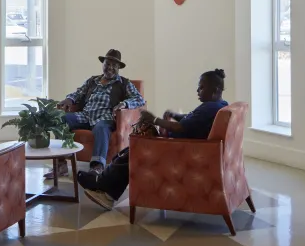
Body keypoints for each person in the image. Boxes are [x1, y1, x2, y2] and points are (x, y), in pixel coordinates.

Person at [78, 68, 229, 210]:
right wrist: (176, 115)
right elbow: (191, 119)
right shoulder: (219, 105)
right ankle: (107, 192)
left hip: (177, 150)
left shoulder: (209, 108)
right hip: (181, 147)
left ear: (215, 90)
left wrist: (154, 119)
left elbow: (179, 128)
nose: (197, 90)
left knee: (134, 151)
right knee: (129, 152)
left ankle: (101, 184)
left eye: (201, 87)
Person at [47, 48, 145, 178]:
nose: (110, 68)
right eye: (107, 64)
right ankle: (61, 164)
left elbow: (139, 99)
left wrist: (124, 104)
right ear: (103, 64)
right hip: (85, 116)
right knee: (60, 118)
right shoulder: (92, 81)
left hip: (104, 118)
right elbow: (78, 93)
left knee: (101, 128)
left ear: (119, 68)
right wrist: (69, 99)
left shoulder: (124, 83)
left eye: (114, 66)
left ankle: (97, 167)